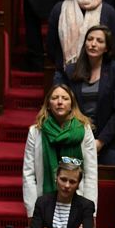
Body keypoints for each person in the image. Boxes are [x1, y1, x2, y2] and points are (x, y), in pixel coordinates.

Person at [22, 84, 98, 218]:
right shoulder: (36, 132)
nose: (60, 102)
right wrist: (32, 211)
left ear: (72, 105)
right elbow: (28, 174)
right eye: (55, 98)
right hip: (44, 203)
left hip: (77, 202)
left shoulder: (84, 130)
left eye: (65, 98)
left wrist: (90, 212)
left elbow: (91, 173)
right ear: (48, 104)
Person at [61, 25, 115, 165]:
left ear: (106, 48)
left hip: (107, 138)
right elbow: (65, 107)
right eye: (90, 39)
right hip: (76, 135)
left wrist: (101, 141)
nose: (93, 44)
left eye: (99, 41)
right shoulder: (72, 70)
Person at [48, 0, 115, 76]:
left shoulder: (108, 12)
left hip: (98, 75)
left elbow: (114, 49)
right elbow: (52, 46)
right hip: (65, 73)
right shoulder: (59, 9)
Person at [28, 160, 95, 228]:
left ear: (78, 184)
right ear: (56, 178)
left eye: (72, 182)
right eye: (63, 179)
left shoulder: (86, 206)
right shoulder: (42, 202)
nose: (67, 185)